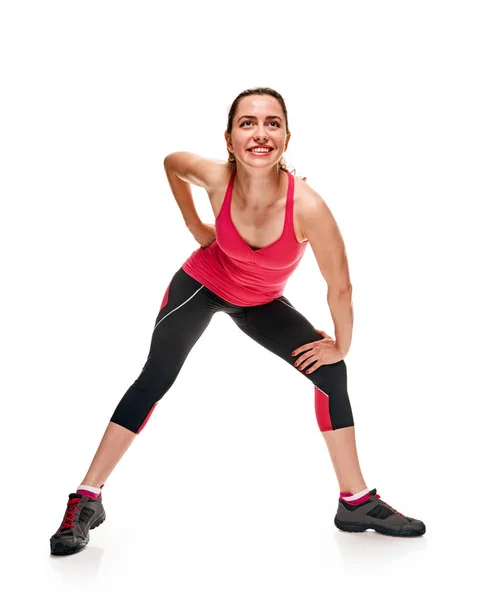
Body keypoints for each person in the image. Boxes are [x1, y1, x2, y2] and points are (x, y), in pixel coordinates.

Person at [50, 86, 425, 556]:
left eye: (272, 123)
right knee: (155, 378)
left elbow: (340, 288)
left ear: (287, 137)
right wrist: (195, 227)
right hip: (204, 283)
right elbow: (172, 162)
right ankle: (86, 498)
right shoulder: (215, 177)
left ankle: (355, 502)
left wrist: (341, 345)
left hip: (260, 301)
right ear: (229, 139)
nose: (260, 133)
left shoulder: (308, 208)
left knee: (331, 373)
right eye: (248, 123)